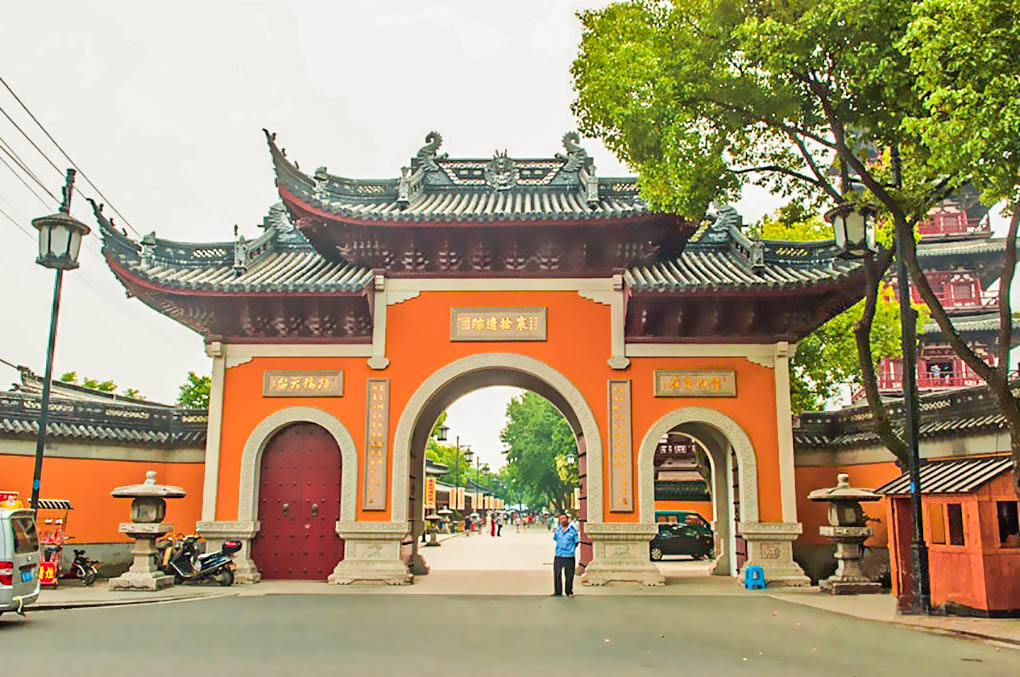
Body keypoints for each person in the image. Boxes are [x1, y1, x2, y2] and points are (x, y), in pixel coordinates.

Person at [551, 513, 579, 598]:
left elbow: (576, 541)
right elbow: (556, 539)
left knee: (569, 575)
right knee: (557, 574)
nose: (563, 520)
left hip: (569, 556)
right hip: (559, 555)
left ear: (567, 519)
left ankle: (569, 591)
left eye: (564, 518)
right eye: (561, 519)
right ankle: (558, 591)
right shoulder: (558, 530)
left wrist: (571, 549)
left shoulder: (572, 530)